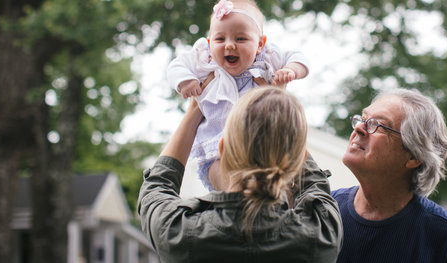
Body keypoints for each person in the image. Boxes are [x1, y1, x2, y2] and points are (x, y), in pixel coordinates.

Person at [137, 86, 343, 262]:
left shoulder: (179, 234)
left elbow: (156, 187)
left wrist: (195, 109)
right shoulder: (320, 235)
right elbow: (315, 185)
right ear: (297, 160)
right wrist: (281, 118)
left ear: (222, 148)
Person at [166, 0, 309, 190]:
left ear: (260, 44)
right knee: (228, 181)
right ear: (209, 43)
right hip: (216, 150)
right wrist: (186, 81)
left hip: (261, 151)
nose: (230, 45)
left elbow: (299, 57)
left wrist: (291, 70)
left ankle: (268, 193)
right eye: (219, 39)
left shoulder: (267, 58)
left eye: (241, 39)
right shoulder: (203, 59)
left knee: (271, 177)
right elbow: (176, 66)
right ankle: (238, 198)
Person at [332, 88, 447, 262]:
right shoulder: (320, 213)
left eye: (376, 124)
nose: (359, 128)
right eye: (362, 119)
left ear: (414, 156)